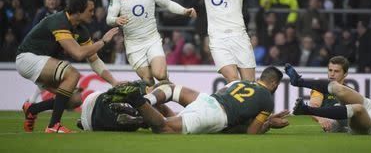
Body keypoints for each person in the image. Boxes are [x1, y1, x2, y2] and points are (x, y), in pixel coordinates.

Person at [16, 0, 121, 133]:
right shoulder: (59, 21)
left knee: (75, 100)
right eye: (90, 10)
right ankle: (54, 125)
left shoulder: (81, 30)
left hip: (44, 62)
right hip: (27, 58)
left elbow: (94, 60)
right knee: (72, 74)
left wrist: (114, 82)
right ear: (78, 11)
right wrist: (103, 41)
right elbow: (78, 54)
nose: (93, 13)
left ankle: (32, 109)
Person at [109, 66, 289, 134]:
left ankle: (143, 101)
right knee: (164, 127)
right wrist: (269, 124)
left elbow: (223, 93)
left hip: (207, 100)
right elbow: (252, 132)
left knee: (171, 89)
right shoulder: (267, 99)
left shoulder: (242, 82)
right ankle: (136, 106)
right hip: (215, 115)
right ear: (273, 83)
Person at [106, 0, 197, 86]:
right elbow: (109, 19)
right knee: (148, 81)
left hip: (152, 39)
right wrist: (116, 19)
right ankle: (161, 101)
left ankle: (172, 90)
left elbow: (167, 4)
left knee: (160, 75)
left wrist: (184, 11)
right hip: (133, 45)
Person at [77, 81, 175, 132]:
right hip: (95, 122)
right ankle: (135, 117)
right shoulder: (152, 101)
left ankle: (133, 115)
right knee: (146, 120)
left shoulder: (139, 84)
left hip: (94, 99)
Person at [306, 56, 349, 132]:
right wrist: (321, 119)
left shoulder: (349, 91)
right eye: (330, 70)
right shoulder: (320, 89)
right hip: (331, 123)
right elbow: (313, 107)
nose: (332, 74)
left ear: (345, 74)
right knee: (338, 109)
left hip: (349, 121)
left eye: (336, 71)